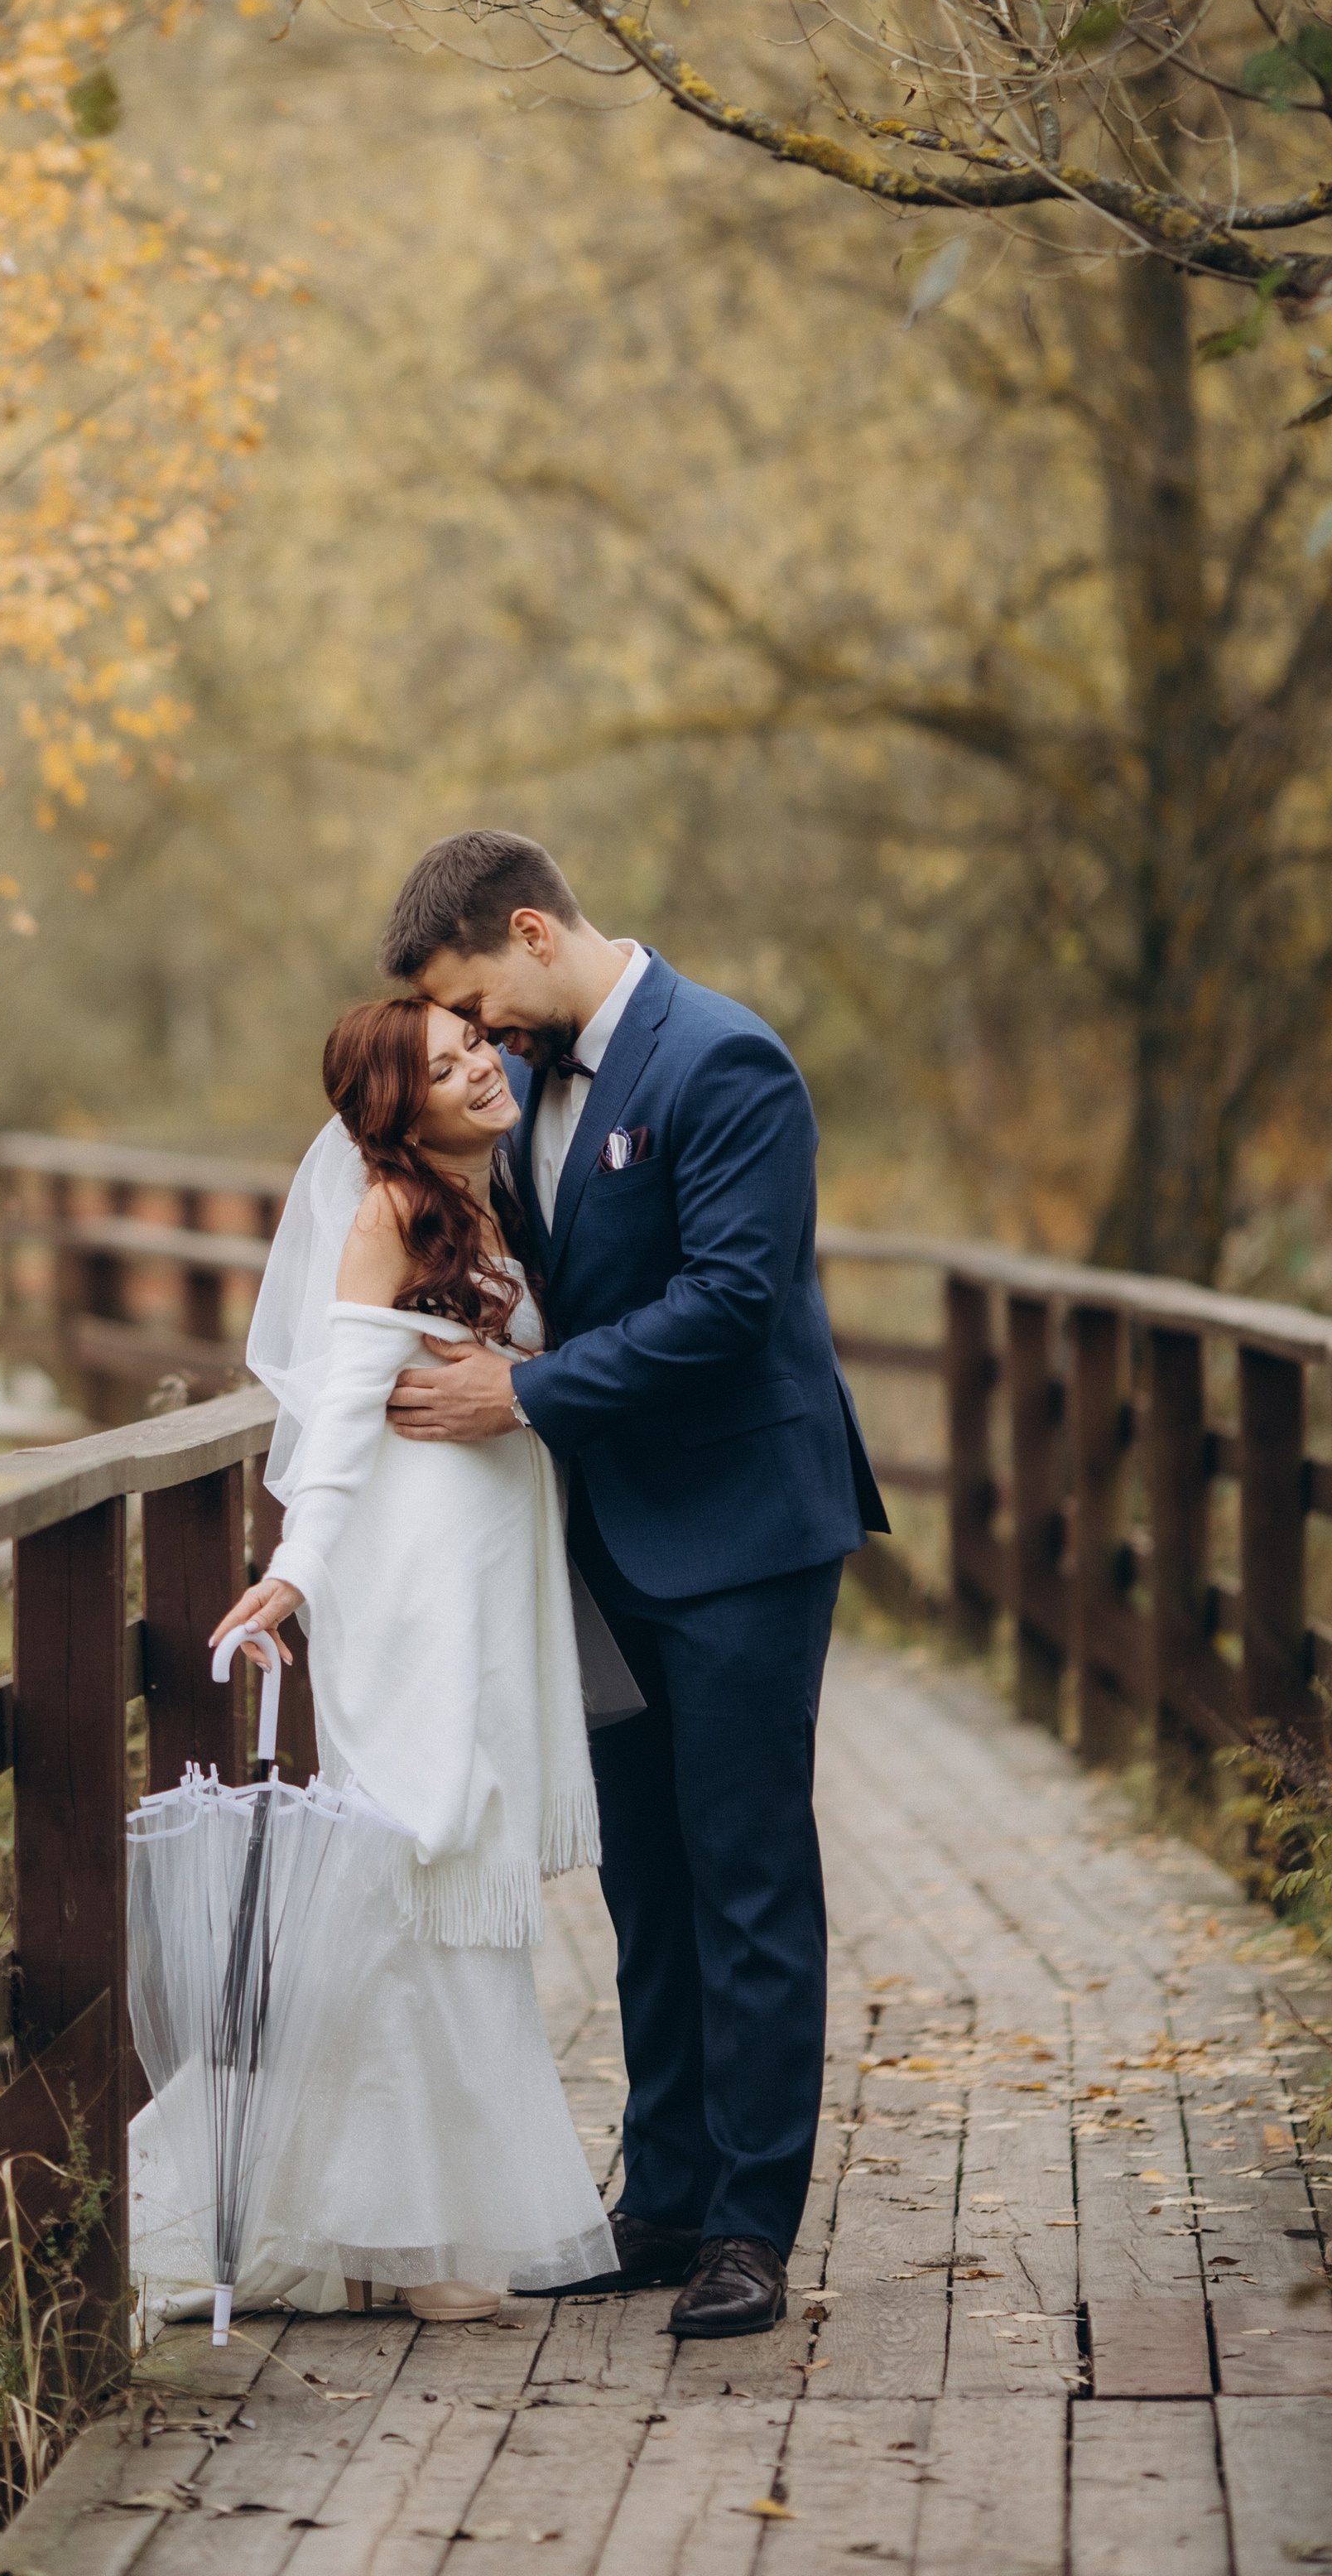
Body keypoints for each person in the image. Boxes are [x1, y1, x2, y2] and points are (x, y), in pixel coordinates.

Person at [376, 828, 888, 2343]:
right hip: (600, 1542)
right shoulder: (522, 1088)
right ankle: (660, 2196)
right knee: (643, 1881)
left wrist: (520, 1398)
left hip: (740, 1532)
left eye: (475, 998)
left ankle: (750, 2224)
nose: (474, 1036)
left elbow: (731, 1302)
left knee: (744, 1873)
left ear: (532, 929)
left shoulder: (727, 1062)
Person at [176, 995, 624, 2321]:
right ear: (397, 1105)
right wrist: (295, 1571)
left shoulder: (478, 1201)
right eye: (445, 1065)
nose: (481, 1066)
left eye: (475, 1044)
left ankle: (415, 2223)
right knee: (423, 1863)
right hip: (414, 1588)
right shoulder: (384, 1212)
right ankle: (418, 2242)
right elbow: (338, 1412)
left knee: (455, 1880)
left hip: (490, 1582)